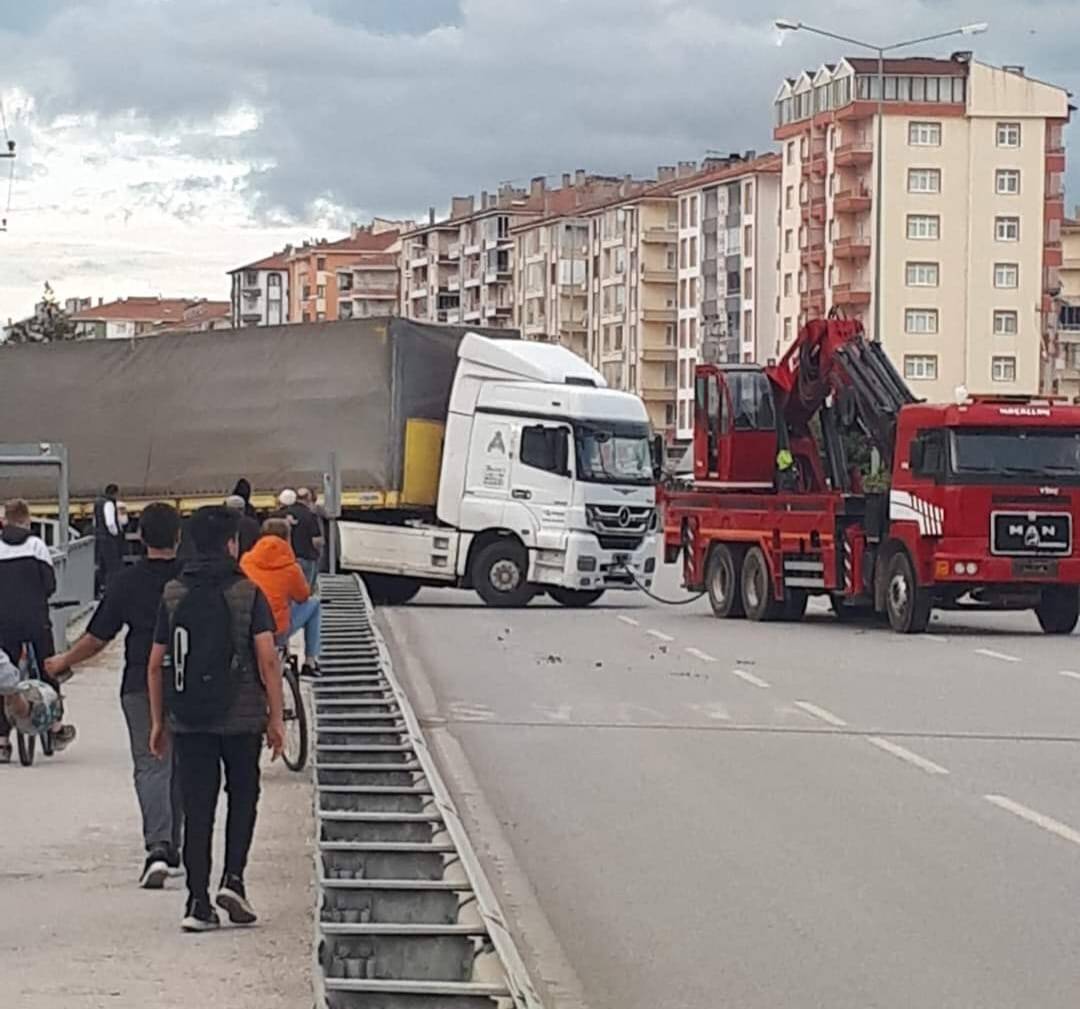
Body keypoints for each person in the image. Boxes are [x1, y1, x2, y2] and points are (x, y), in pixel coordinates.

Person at [147, 505, 285, 933]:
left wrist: (158, 721)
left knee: (197, 806)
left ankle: (196, 902)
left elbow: (155, 663)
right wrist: (276, 719)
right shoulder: (248, 593)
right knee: (243, 796)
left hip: (189, 719)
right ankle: (235, 880)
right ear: (231, 544)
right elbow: (268, 660)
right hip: (242, 721)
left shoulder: (173, 593)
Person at [47, 502, 184, 887]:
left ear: (140, 537)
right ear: (178, 536)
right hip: (190, 683)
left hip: (141, 683)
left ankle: (158, 848)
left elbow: (97, 638)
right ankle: (177, 845)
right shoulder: (191, 578)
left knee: (151, 763)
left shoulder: (127, 581)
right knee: (184, 764)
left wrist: (63, 662)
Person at [0, 498, 75, 760]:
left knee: (3, 674)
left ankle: (2, 741)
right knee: (48, 664)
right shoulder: (36, 545)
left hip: (3, 623)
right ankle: (55, 727)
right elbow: (49, 585)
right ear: (26, 519)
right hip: (34, 619)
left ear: (5, 520)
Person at [240, 518, 321, 675]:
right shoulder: (291, 568)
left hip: (250, 627)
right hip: (277, 631)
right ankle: (310, 661)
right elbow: (302, 597)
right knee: (313, 604)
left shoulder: (246, 561)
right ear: (288, 538)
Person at [289, 487, 325, 589]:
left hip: (290, 558)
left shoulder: (286, 513)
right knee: (306, 590)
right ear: (308, 498)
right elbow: (316, 541)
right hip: (307, 557)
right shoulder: (310, 515)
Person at [94, 483, 126, 593]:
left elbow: (95, 521)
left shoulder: (98, 502)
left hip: (100, 537)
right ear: (115, 493)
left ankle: (101, 587)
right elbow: (110, 523)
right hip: (109, 539)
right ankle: (114, 588)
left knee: (102, 565)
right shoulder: (109, 504)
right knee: (113, 565)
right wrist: (116, 534)